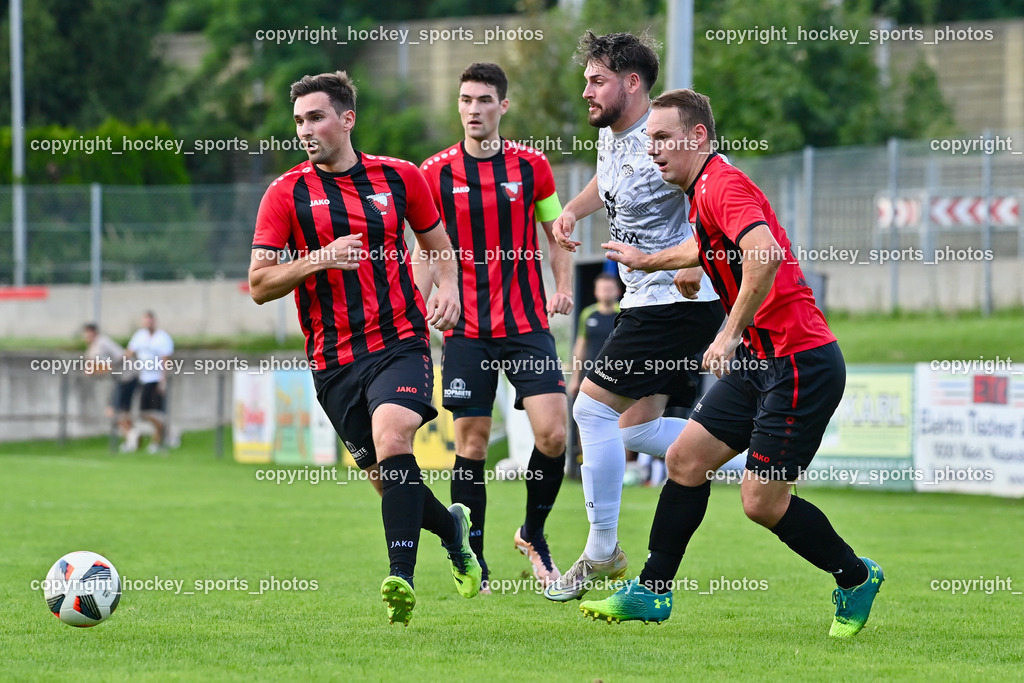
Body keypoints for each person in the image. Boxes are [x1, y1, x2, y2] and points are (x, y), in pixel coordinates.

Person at [579, 88, 883, 638]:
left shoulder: (721, 184)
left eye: (663, 139)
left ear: (698, 137)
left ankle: (855, 576)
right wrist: (652, 260)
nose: (653, 151)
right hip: (759, 361)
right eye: (649, 141)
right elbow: (705, 248)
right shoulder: (700, 191)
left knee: (762, 503)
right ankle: (652, 592)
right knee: (684, 460)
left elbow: (762, 253)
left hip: (798, 363)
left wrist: (728, 332)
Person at [248, 70, 481, 625]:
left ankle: (400, 578)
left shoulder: (400, 177)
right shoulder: (285, 194)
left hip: (400, 341)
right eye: (300, 120)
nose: (306, 129)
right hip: (333, 363)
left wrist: (446, 287)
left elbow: (437, 244)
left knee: (394, 434)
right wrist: (318, 258)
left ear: (347, 119)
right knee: (389, 482)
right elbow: (259, 285)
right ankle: (453, 530)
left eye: (317, 117)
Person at [545, 31, 724, 602]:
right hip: (646, 302)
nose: (586, 91)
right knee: (637, 429)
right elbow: (610, 178)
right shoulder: (615, 136)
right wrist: (573, 208)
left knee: (589, 413)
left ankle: (602, 550)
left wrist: (696, 254)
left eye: (597, 81)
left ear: (631, 83)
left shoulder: (665, 137)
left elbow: (717, 195)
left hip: (673, 302)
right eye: (586, 81)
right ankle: (746, 442)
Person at [418, 63, 572, 589]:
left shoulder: (532, 167)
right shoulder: (433, 172)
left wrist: (562, 285)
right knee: (474, 444)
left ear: (503, 106)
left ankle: (533, 533)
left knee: (553, 433)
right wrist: (426, 305)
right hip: (467, 330)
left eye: (484, 100)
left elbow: (557, 233)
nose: (474, 110)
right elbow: (424, 248)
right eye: (465, 100)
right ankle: (473, 557)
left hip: (527, 321)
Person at [82, 322, 139, 451]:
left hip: (127, 377)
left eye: (89, 334)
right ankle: (132, 438)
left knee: (114, 411)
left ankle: (132, 436)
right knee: (122, 412)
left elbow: (120, 359)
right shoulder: (92, 349)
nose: (87, 337)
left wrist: (96, 370)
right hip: (120, 379)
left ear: (94, 333)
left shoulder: (102, 344)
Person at [566, 272, 622, 399]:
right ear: (595, 292)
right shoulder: (588, 314)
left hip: (619, 373)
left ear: (617, 291)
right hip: (592, 374)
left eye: (609, 289)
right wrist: (575, 379)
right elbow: (581, 346)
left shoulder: (623, 313)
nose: (606, 292)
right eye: (602, 289)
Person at [126, 311, 174, 454]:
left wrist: (162, 380)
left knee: (157, 413)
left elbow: (166, 360)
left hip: (155, 379)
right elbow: (129, 352)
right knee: (144, 412)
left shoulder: (163, 338)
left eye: (150, 321)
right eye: (145, 321)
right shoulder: (139, 336)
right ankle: (168, 433)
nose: (148, 323)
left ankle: (157, 441)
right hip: (143, 378)